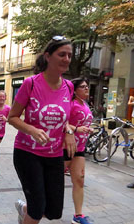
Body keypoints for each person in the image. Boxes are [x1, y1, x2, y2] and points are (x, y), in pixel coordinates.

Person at [8, 36, 76, 224]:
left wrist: (69, 132)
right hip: (27, 153)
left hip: (54, 155)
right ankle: (30, 211)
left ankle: (24, 209)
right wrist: (31, 130)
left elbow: (64, 118)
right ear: (48, 56)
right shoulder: (31, 83)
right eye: (61, 54)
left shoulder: (69, 87)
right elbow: (12, 117)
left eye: (69, 55)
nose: (67, 59)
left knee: (54, 212)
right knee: (37, 210)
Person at [64, 77, 94, 224]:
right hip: (65, 147)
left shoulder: (85, 104)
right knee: (50, 182)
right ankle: (28, 208)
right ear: (75, 90)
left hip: (80, 148)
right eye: (83, 87)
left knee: (79, 180)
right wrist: (76, 128)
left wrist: (88, 129)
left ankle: (78, 215)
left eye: (87, 86)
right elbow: (62, 122)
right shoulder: (70, 104)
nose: (87, 88)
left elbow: (83, 122)